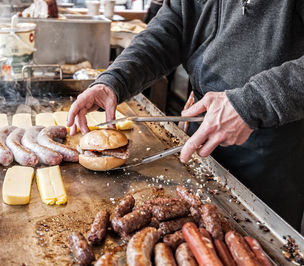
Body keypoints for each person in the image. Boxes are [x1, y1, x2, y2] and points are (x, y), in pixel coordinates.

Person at [67, 0, 304, 233]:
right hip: (199, 138)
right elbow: (170, 28)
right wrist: (115, 80)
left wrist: (252, 103)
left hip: (272, 150)